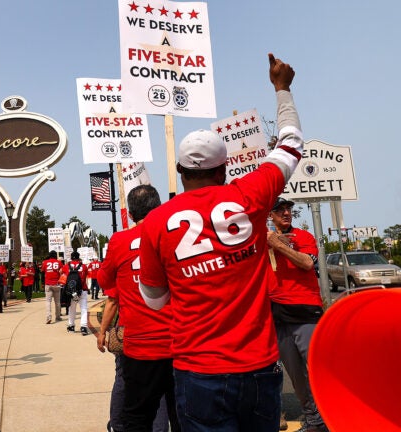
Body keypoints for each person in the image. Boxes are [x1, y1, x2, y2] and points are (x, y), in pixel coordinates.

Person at [138, 53, 301, 431]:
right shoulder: (250, 194)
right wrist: (282, 89)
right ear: (224, 167)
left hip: (198, 370)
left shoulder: (156, 222)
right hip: (259, 365)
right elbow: (291, 144)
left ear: (179, 171)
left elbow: (154, 298)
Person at [98, 185, 179, 432]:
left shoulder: (119, 241)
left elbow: (105, 282)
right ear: (160, 208)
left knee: (138, 417)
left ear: (131, 215)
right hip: (181, 342)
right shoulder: (176, 235)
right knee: (184, 416)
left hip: (140, 346)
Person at [267, 197, 328, 432]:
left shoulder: (303, 237)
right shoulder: (261, 240)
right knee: (295, 374)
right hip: (277, 314)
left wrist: (279, 245)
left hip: (305, 311)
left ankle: (334, 411)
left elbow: (307, 262)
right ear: (269, 215)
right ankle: (314, 419)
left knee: (319, 368)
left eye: (288, 209)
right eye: (279, 209)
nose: (286, 213)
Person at [62, 251, 88, 335]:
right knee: (83, 308)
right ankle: (83, 327)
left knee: (72, 309)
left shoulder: (66, 266)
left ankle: (71, 326)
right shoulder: (84, 266)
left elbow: (63, 275)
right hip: (82, 290)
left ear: (71, 257)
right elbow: (85, 276)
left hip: (71, 291)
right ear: (78, 257)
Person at [41, 250, 62, 324]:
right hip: (56, 283)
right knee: (57, 302)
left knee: (48, 301)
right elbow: (61, 272)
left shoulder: (45, 262)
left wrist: (42, 283)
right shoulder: (59, 262)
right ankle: (58, 316)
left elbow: (42, 273)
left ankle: (48, 317)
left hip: (48, 283)